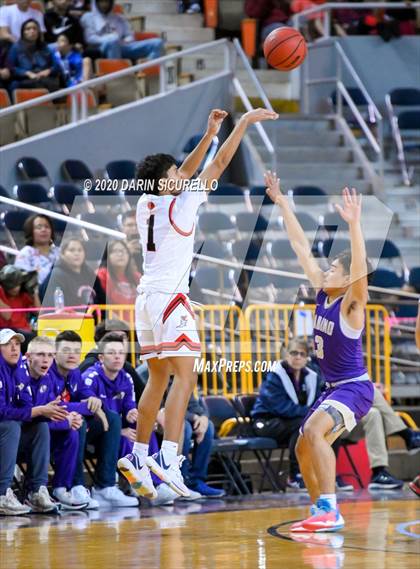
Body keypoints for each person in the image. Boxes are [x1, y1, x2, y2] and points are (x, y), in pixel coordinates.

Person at [117, 107, 278, 499]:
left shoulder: (146, 204)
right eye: (174, 175)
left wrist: (207, 134)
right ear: (165, 183)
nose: (181, 175)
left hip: (147, 300)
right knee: (185, 378)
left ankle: (139, 455)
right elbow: (220, 163)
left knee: (157, 377)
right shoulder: (182, 202)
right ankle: (169, 459)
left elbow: (185, 172)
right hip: (170, 300)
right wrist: (241, 125)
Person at [266, 177, 374, 532]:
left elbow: (359, 271)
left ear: (345, 279)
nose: (325, 270)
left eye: (333, 270)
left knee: (313, 430)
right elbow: (300, 247)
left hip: (354, 388)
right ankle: (318, 510)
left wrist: (355, 225)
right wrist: (282, 202)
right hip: (333, 388)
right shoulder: (323, 294)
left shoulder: (350, 305)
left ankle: (330, 508)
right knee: (302, 447)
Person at [0, 328, 68, 515]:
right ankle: (1, 495)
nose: (14, 349)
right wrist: (39, 410)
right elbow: (3, 412)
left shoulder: (16, 371)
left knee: (40, 427)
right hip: (6, 432)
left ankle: (36, 491)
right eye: (7, 345)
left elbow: (26, 407)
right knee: (11, 426)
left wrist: (50, 413)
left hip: (9, 435)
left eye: (16, 344)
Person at [19, 335, 90, 509]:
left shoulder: (46, 377)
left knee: (73, 431)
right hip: (17, 434)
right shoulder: (20, 376)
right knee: (45, 428)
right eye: (41, 355)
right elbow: (29, 417)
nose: (46, 360)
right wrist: (67, 419)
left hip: (36, 432)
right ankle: (34, 490)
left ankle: (60, 488)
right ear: (28, 356)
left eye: (49, 355)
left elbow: (52, 411)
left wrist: (70, 418)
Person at [252, 338, 324, 489]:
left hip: (292, 421)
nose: (297, 357)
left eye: (302, 354)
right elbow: (280, 407)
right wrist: (310, 414)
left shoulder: (311, 376)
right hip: (267, 422)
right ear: (286, 355)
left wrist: (317, 416)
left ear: (307, 358)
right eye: (293, 353)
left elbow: (318, 400)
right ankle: (295, 475)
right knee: (302, 425)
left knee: (324, 425)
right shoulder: (273, 375)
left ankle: (327, 474)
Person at [79, 333, 138, 507]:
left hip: (112, 428)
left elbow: (130, 406)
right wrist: (119, 429)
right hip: (89, 429)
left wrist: (131, 413)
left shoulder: (126, 377)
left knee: (141, 427)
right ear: (101, 357)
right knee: (116, 424)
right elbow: (87, 411)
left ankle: (151, 484)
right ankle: (105, 487)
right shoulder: (91, 377)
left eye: (121, 352)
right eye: (112, 353)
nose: (118, 356)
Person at [80, 318, 145, 401]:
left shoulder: (126, 367)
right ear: (100, 342)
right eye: (113, 337)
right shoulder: (88, 366)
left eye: (123, 337)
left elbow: (142, 397)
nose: (119, 341)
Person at [81, 0, 164, 61]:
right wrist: (110, 38)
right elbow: (90, 38)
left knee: (157, 43)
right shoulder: (89, 17)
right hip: (103, 47)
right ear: (96, 3)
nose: (104, 5)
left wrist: (126, 40)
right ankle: (117, 78)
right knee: (113, 42)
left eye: (107, 2)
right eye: (102, 2)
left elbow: (130, 35)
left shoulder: (119, 18)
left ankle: (149, 72)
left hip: (123, 46)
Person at [40, 237, 106, 309]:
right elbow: (52, 306)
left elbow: (103, 302)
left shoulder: (90, 274)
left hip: (94, 319)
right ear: (62, 254)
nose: (76, 253)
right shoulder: (56, 275)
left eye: (80, 250)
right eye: (72, 250)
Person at [7, 19, 63, 93]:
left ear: (38, 32)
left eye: (35, 28)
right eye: (28, 29)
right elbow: (10, 68)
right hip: (24, 80)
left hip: (44, 78)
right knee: (14, 85)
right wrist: (27, 73)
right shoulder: (16, 48)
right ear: (23, 32)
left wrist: (49, 71)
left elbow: (57, 65)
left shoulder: (45, 47)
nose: (32, 31)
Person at [97, 240, 140, 319]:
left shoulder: (136, 277)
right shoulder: (102, 275)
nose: (120, 254)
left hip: (137, 326)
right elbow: (101, 304)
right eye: (115, 251)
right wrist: (124, 325)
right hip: (115, 326)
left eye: (124, 251)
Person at [14, 214, 60, 286]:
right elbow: (23, 282)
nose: (43, 230)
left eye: (47, 227)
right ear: (31, 231)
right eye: (39, 227)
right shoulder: (25, 253)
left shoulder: (60, 252)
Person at [0, 265, 40, 333]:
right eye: (11, 287)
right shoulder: (1, 293)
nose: (15, 289)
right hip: (7, 332)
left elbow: (38, 312)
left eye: (17, 284)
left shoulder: (23, 294)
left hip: (24, 331)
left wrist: (34, 292)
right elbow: (7, 316)